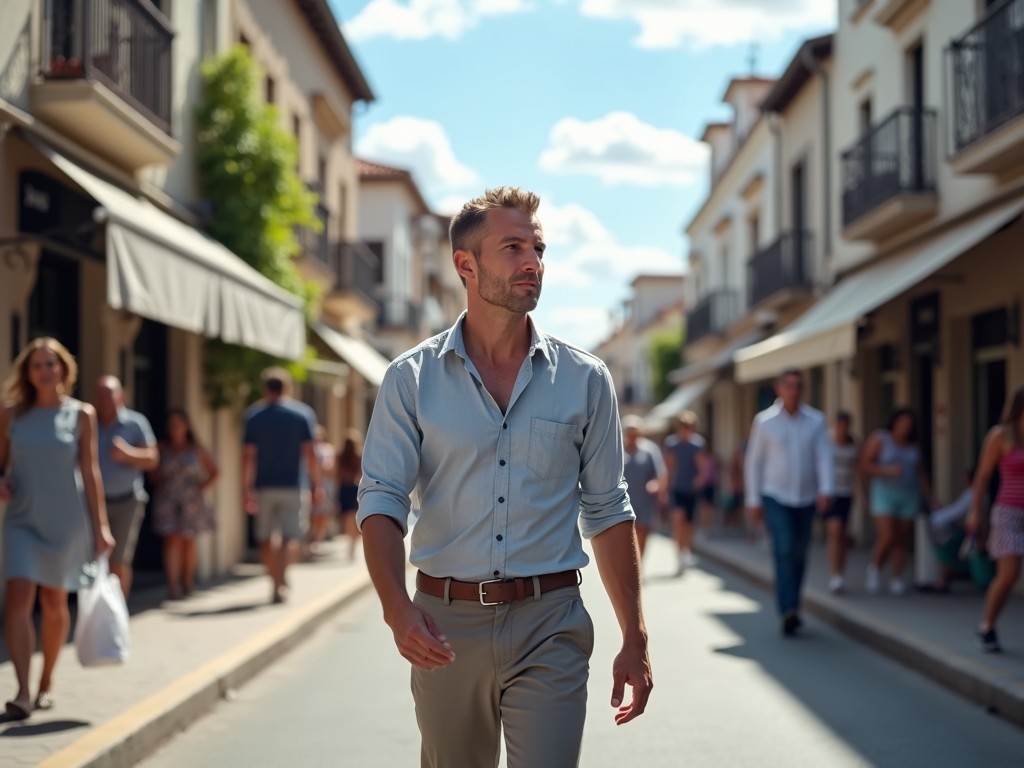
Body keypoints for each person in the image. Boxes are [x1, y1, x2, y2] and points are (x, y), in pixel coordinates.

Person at [357, 187, 652, 768]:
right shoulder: (409, 380)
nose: (532, 262)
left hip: (551, 621)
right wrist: (397, 609)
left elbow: (609, 510)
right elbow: (382, 499)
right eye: (513, 247)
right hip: (445, 626)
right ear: (465, 265)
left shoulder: (585, 379)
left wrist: (635, 638)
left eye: (538, 248)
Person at [1, 338, 115, 720]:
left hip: (66, 521)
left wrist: (101, 526)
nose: (45, 371)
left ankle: (47, 681)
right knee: (18, 596)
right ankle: (21, 691)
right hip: (22, 517)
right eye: (37, 365)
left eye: (51, 364)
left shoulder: (82, 414)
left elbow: (91, 471)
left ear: (64, 369)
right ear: (28, 373)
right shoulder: (11, 414)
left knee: (53, 603)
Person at [745, 369, 833, 636]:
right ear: (779, 388)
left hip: (806, 496)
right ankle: (789, 609)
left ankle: (793, 602)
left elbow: (824, 457)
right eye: (789, 385)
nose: (794, 390)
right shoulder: (764, 421)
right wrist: (753, 499)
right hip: (775, 495)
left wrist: (826, 489)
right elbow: (754, 462)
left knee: (800, 551)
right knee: (784, 548)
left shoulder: (816, 421)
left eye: (798, 386)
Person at [242, 367, 322, 604]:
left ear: (265, 388)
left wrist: (246, 489)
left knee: (266, 538)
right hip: (294, 486)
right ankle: (282, 578)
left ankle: (274, 582)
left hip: (264, 486)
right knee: (291, 537)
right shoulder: (302, 415)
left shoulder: (254, 416)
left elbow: (248, 456)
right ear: (287, 387)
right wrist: (317, 484)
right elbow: (311, 453)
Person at [967, 385, 1024, 652]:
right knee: (1009, 574)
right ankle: (987, 627)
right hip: (1008, 513)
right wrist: (975, 511)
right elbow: (983, 476)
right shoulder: (1001, 436)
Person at [93, 376, 159, 597]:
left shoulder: (135, 423)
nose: (104, 400)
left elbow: (152, 459)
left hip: (127, 501)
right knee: (93, 558)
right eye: (100, 395)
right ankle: (96, 616)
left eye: (108, 394)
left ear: (121, 396)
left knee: (119, 560)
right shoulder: (89, 423)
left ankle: (118, 613)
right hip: (94, 501)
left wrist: (127, 454)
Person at [860, 408, 937, 596]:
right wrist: (887, 471)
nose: (905, 428)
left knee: (901, 539)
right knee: (887, 536)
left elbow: (921, 474)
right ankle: (875, 569)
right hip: (884, 493)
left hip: (909, 494)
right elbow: (864, 464)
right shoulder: (880, 438)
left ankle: (896, 576)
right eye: (902, 423)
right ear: (894, 423)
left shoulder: (913, 446)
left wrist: (931, 498)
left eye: (909, 425)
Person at [150, 408, 218, 600]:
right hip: (168, 499)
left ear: (186, 426)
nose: (175, 428)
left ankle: (187, 581)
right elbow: (152, 471)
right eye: (172, 425)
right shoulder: (162, 448)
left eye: (179, 424)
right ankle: (173, 585)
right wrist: (160, 484)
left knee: (189, 540)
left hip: (191, 500)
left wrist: (200, 489)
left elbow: (215, 470)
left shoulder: (195, 449)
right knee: (171, 540)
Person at [663, 410, 706, 574]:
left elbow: (701, 466)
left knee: (689, 523)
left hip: (691, 489)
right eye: (683, 427)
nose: (685, 430)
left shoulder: (698, 444)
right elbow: (669, 467)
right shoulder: (671, 443)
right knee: (678, 519)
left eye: (688, 427)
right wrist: (665, 488)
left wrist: (700, 478)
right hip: (677, 488)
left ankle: (686, 550)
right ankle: (679, 553)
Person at [622, 415, 667, 561]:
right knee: (625, 536)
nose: (632, 436)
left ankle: (639, 565)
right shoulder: (618, 451)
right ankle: (628, 565)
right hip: (622, 502)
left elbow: (659, 474)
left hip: (644, 501)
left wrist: (655, 485)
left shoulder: (650, 451)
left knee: (642, 533)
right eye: (629, 432)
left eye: (635, 433)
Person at [826, 412, 858, 594]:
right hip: (831, 493)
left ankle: (841, 572)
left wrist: (862, 494)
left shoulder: (853, 445)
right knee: (835, 531)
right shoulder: (826, 441)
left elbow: (856, 470)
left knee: (842, 535)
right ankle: (835, 574)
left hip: (846, 493)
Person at [336, 429, 363, 562]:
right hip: (355, 487)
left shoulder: (340, 456)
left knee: (347, 516)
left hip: (344, 487)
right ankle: (352, 544)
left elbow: (336, 473)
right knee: (355, 516)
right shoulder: (359, 455)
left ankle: (350, 542)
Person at [309, 425, 336, 556]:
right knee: (311, 513)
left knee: (323, 513)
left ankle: (316, 540)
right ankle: (312, 539)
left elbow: (329, 466)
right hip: (310, 484)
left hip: (325, 485)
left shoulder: (327, 449)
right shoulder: (308, 448)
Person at [696, 436, 720, 535]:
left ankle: (708, 526)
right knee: (703, 506)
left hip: (710, 484)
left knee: (709, 506)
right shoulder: (700, 457)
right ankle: (703, 526)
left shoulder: (713, 457)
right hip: (702, 484)